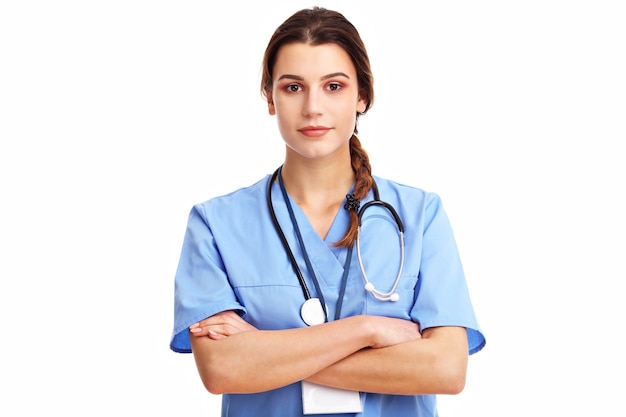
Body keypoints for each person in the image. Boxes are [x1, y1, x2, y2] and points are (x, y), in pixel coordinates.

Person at [170, 6, 486, 416]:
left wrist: (266, 355)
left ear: (362, 96)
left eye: (333, 86)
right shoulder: (215, 224)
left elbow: (445, 368)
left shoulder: (419, 215)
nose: (313, 107)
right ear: (270, 97)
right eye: (293, 87)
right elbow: (222, 367)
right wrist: (368, 329)